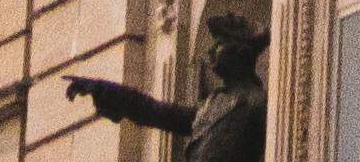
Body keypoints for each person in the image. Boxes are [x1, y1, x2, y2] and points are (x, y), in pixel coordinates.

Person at [71, 9, 272, 162]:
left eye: (220, 44)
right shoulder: (212, 105)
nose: (211, 51)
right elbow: (156, 112)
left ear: (241, 53)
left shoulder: (258, 103)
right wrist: (104, 91)